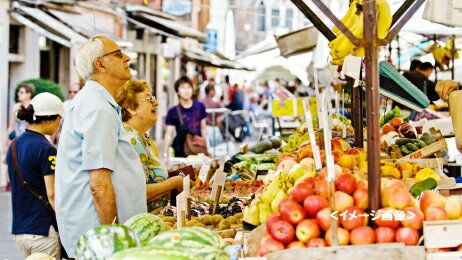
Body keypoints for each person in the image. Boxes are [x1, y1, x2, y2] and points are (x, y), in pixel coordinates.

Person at [54, 35, 146, 257]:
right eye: (118, 54)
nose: (128, 58)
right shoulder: (97, 109)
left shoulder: (98, 103)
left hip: (97, 238)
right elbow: (99, 184)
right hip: (100, 242)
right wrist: (114, 239)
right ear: (100, 64)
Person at [6, 93, 65, 259]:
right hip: (43, 231)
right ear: (47, 119)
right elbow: (52, 194)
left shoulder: (14, 145)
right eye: (58, 119)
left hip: (20, 231)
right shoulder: (47, 149)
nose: (59, 125)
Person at [116, 79, 185, 212]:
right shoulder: (131, 141)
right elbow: (137, 192)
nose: (156, 102)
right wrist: (174, 182)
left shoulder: (142, 138)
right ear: (131, 108)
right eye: (149, 99)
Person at [164, 76, 208, 160]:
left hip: (197, 149)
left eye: (189, 87)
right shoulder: (173, 111)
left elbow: (203, 129)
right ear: (177, 91)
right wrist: (166, 155)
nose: (186, 90)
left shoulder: (200, 106)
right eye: (183, 88)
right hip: (180, 152)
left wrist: (208, 148)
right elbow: (168, 134)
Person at [3, 83, 35, 191]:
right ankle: (12, 182)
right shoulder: (16, 107)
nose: (19, 94)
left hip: (29, 137)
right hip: (16, 137)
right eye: (19, 92)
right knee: (13, 160)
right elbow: (11, 125)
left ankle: (26, 181)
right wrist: (5, 143)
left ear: (29, 94)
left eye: (21, 92)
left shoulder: (33, 106)